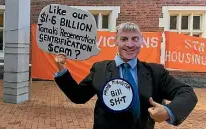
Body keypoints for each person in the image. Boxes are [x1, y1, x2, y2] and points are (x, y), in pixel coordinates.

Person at [54, 22, 198, 129]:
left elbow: (187, 93)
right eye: (123, 39)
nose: (130, 44)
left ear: (142, 41)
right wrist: (62, 69)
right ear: (115, 41)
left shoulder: (156, 72)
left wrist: (168, 111)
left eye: (135, 39)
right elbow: (78, 96)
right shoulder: (100, 69)